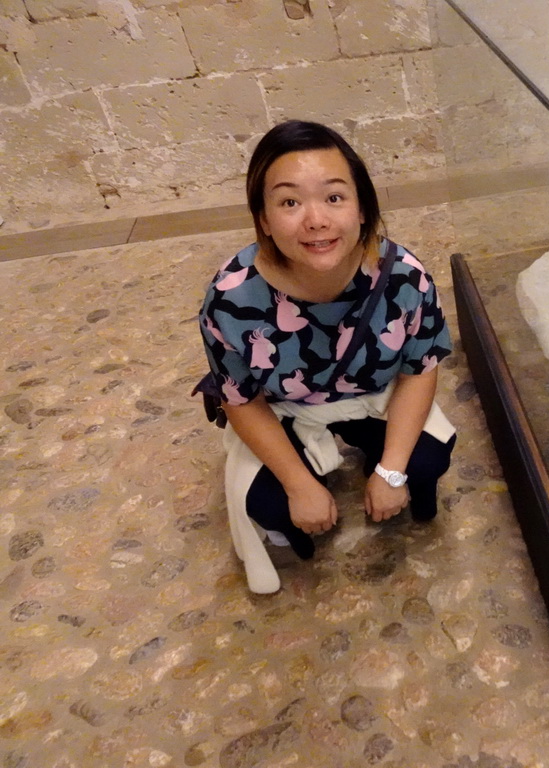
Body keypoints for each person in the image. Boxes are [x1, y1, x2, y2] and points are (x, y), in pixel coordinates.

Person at [198, 120, 456, 593]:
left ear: (362, 209)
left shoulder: (404, 277)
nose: (315, 220)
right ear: (264, 220)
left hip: (373, 395)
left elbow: (420, 370)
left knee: (424, 462)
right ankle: (298, 508)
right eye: (289, 202)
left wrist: (391, 470)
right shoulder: (231, 298)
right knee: (272, 503)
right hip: (286, 407)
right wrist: (299, 486)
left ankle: (390, 471)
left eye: (334, 197)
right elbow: (240, 398)